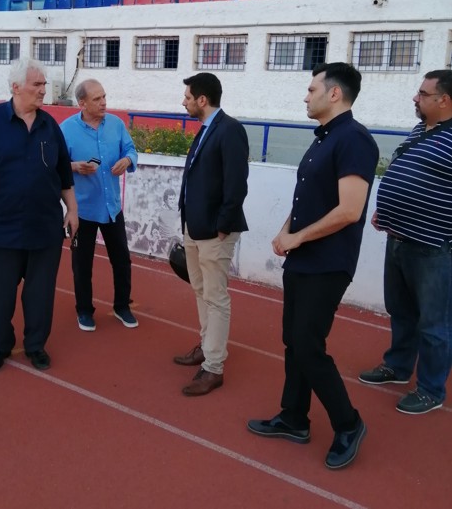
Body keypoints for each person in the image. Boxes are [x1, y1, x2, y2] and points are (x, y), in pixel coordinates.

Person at [247, 62, 379, 470]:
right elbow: (310, 198)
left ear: (334, 93)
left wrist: (298, 237)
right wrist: (286, 231)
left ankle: (349, 423)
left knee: (307, 343)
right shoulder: (324, 139)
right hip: (304, 258)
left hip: (329, 262)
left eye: (311, 89)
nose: (306, 96)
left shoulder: (354, 139)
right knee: (294, 339)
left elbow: (350, 210)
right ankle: (294, 417)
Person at [0, 58, 78, 372]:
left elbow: (64, 175)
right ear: (16, 87)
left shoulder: (51, 127)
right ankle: (0, 345)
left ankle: (36, 346)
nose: (43, 90)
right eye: (37, 84)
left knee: (40, 295)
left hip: (44, 229)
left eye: (44, 84)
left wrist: (73, 210)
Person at [359, 70, 452, 414]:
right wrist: (387, 210)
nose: (416, 97)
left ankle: (431, 389)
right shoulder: (421, 129)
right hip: (398, 237)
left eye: (423, 94)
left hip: (433, 246)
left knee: (434, 324)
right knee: (401, 311)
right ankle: (398, 366)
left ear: (444, 100)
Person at [174, 72, 249, 396]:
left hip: (215, 232)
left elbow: (237, 183)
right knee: (201, 290)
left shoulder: (230, 130)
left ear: (202, 100)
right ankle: (207, 347)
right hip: (194, 227)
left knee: (215, 297)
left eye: (188, 97)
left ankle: (214, 367)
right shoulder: (206, 129)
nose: (184, 102)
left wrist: (222, 226)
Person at [60, 79, 138, 331]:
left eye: (104, 96)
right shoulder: (65, 130)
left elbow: (131, 150)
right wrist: (73, 166)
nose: (104, 102)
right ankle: (84, 310)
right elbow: (54, 164)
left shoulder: (116, 124)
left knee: (122, 260)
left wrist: (128, 160)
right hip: (81, 211)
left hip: (112, 207)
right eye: (97, 99)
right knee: (81, 264)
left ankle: (122, 306)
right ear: (82, 103)